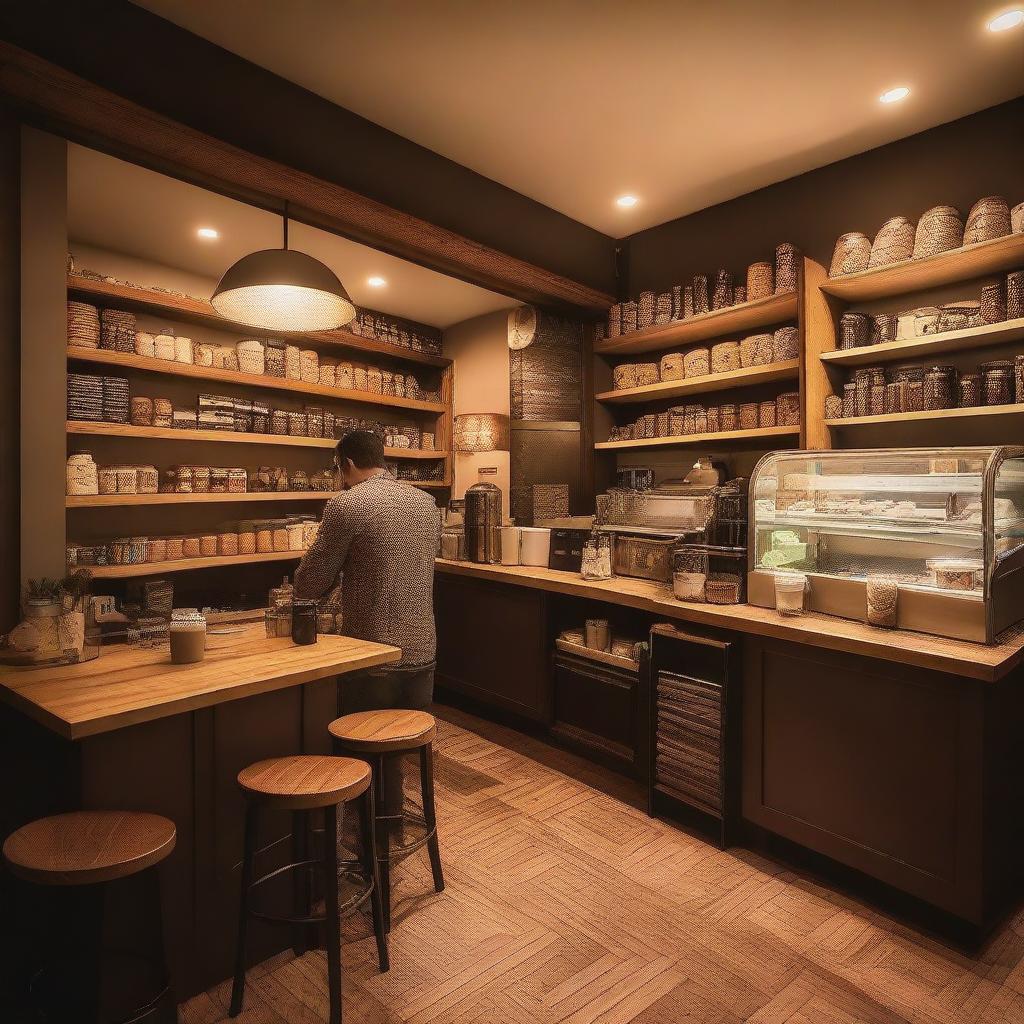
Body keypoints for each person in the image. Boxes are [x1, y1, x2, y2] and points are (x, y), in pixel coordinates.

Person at [295, 430, 441, 814]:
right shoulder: (426, 504)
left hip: (372, 657)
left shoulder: (346, 505)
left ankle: (361, 833)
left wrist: (301, 597)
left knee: (359, 748)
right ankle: (389, 815)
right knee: (395, 745)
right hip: (423, 651)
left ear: (345, 465)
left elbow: (313, 578)